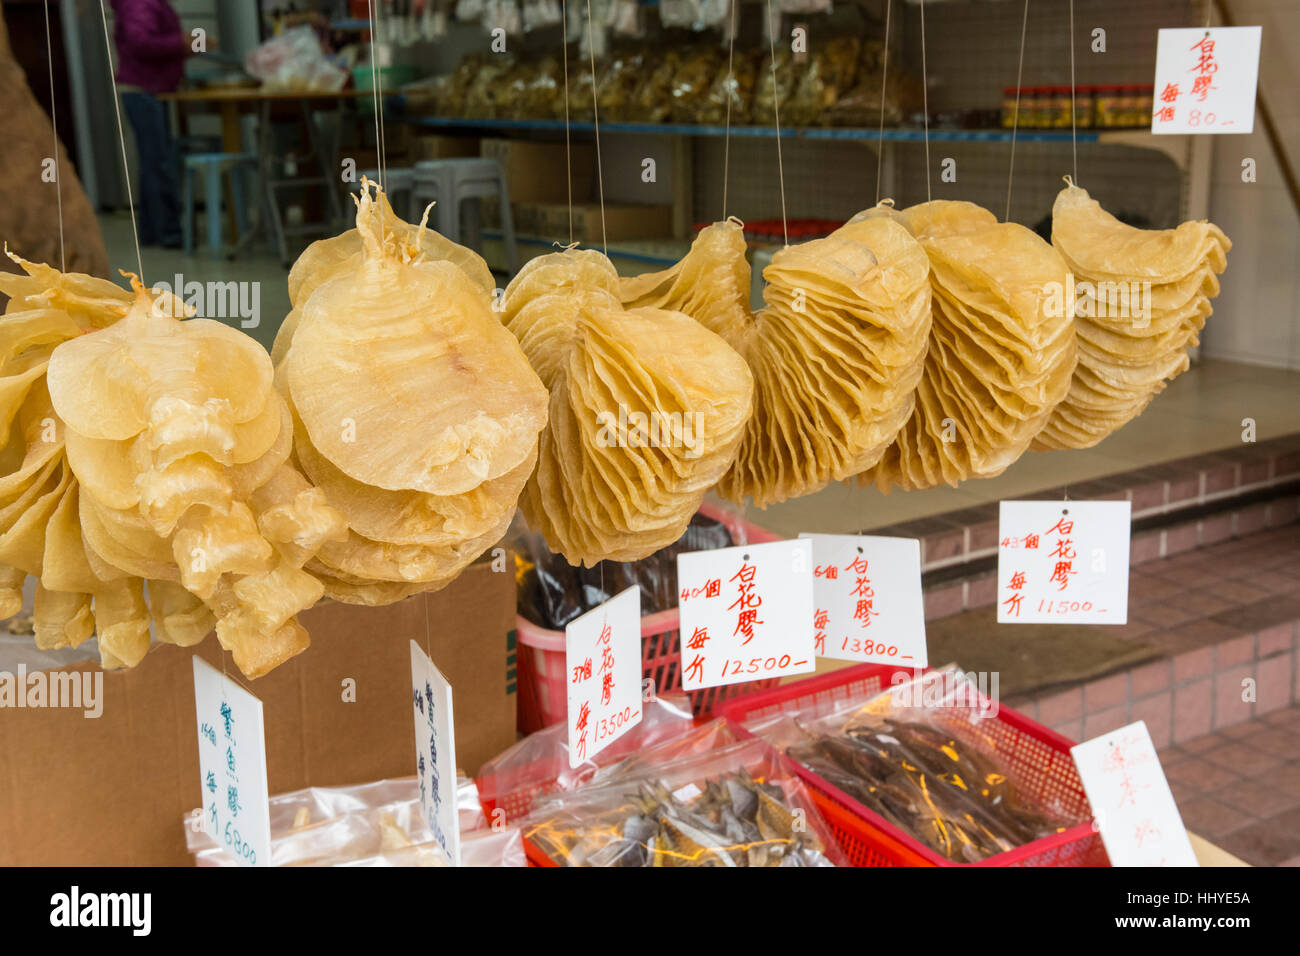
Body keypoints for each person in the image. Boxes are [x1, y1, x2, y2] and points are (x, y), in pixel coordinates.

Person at [111, 0, 192, 248]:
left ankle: (151, 232)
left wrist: (188, 44)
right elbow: (141, 43)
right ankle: (169, 233)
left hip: (149, 89)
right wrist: (182, 43)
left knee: (152, 163)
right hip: (144, 90)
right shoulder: (139, 2)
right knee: (158, 163)